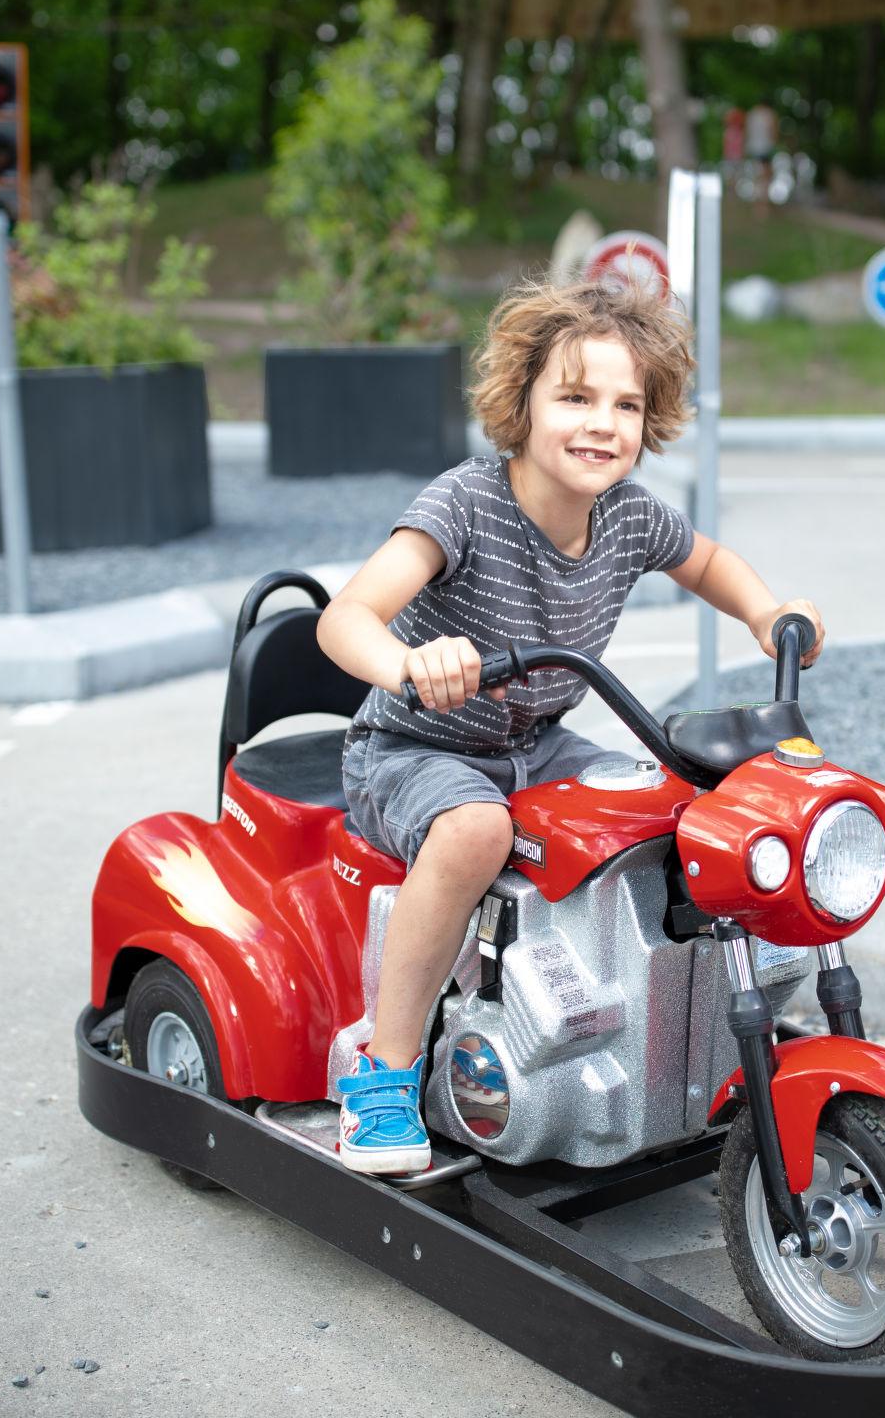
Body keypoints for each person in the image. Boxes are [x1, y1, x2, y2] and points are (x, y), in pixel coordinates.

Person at [316, 276, 825, 1175]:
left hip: (532, 741)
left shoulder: (627, 516)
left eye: (626, 404)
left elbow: (707, 561)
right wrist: (407, 664)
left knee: (667, 810)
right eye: (576, 396)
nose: (603, 423)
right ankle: (383, 1076)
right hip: (415, 745)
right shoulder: (465, 504)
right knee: (477, 828)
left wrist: (765, 611)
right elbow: (345, 615)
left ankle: (682, 1029)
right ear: (521, 402)